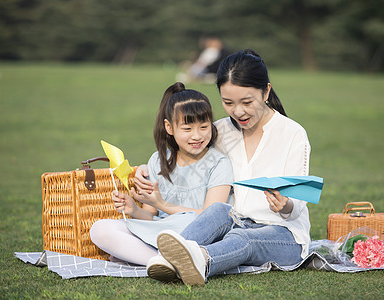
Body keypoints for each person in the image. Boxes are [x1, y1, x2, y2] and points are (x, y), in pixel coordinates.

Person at [137, 49, 312, 285]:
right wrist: (145, 168)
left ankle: (201, 260)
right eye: (228, 102)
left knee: (244, 238)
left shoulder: (293, 134)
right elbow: (184, 152)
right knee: (218, 211)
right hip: (235, 221)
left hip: (284, 234)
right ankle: (167, 260)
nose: (238, 111)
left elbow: (298, 204)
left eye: (247, 102)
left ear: (266, 91)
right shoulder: (221, 131)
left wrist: (286, 205)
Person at [90, 82, 233, 280]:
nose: (197, 135)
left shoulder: (219, 163)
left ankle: (163, 260)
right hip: (160, 232)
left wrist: (162, 203)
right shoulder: (157, 161)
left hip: (196, 236)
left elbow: (213, 216)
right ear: (169, 127)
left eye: (204, 127)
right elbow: (152, 216)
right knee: (100, 229)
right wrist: (134, 210)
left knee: (188, 220)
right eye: (187, 128)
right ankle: (169, 263)